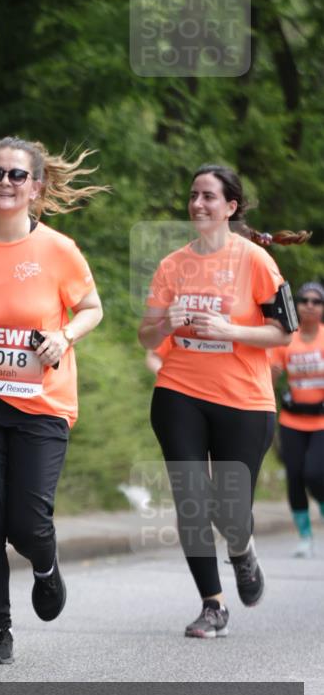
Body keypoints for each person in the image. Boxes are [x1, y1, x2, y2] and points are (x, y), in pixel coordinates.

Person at [0, 137, 105, 665]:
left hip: (42, 402)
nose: (5, 183)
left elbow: (91, 308)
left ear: (35, 187)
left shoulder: (59, 249)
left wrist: (65, 336)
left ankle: (46, 566)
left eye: (16, 176)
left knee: (28, 524)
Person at [138, 163, 309, 639]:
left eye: (209, 197)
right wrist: (166, 323)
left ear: (231, 207)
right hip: (180, 392)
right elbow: (146, 337)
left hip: (244, 399)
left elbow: (285, 329)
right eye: (193, 195)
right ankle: (212, 605)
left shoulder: (255, 260)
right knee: (191, 501)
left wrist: (231, 330)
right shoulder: (173, 264)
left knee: (231, 509)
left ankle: (241, 549)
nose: (197, 204)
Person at [269, 281, 324, 557]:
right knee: (294, 478)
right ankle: (305, 537)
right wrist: (272, 373)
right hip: (292, 420)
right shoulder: (287, 338)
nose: (310, 305)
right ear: (297, 305)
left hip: (321, 423)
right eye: (304, 300)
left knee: (314, 474)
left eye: (317, 301)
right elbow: (272, 374)